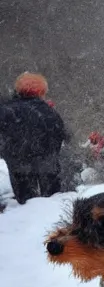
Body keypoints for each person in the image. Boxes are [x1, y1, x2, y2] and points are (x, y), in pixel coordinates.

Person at [0, 72, 68, 204]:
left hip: (18, 161)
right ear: (41, 91)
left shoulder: (7, 110)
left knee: (25, 199)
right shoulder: (49, 112)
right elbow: (60, 134)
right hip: (48, 161)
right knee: (52, 198)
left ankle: (27, 213)